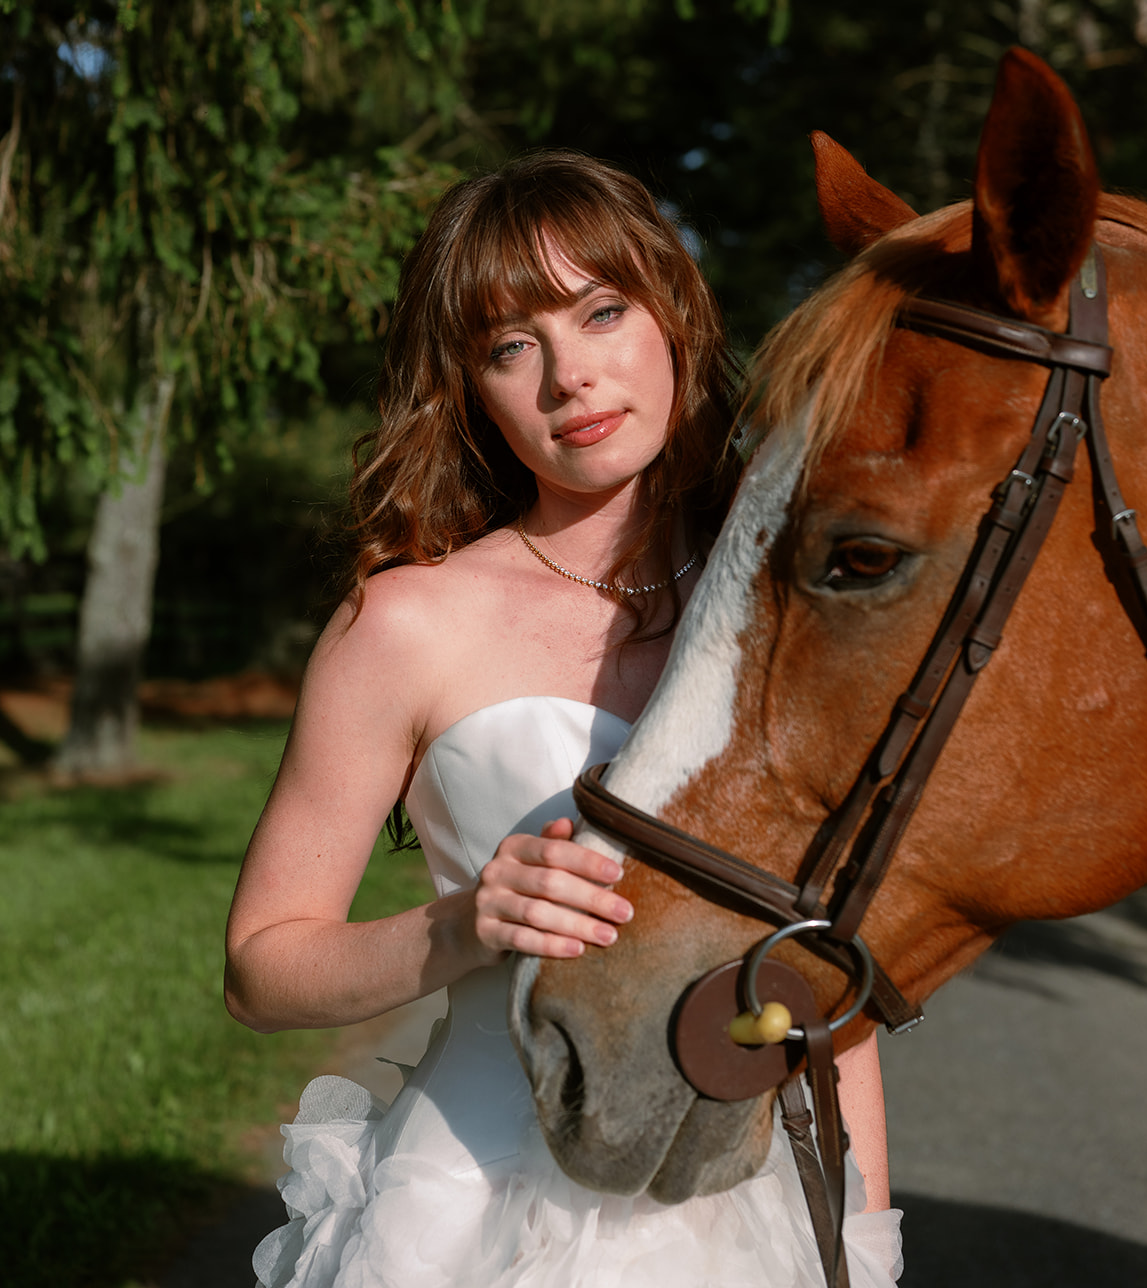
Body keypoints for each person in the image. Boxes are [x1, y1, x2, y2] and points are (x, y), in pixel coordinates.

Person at [225, 151, 904, 1287]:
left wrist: (861, 1241)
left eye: (600, 311)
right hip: (468, 1213)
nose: (569, 378)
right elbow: (260, 969)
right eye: (510, 345)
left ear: (674, 313)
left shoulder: (795, 602)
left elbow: (835, 988)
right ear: (470, 388)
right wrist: (467, 924)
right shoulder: (402, 624)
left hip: (752, 1213)